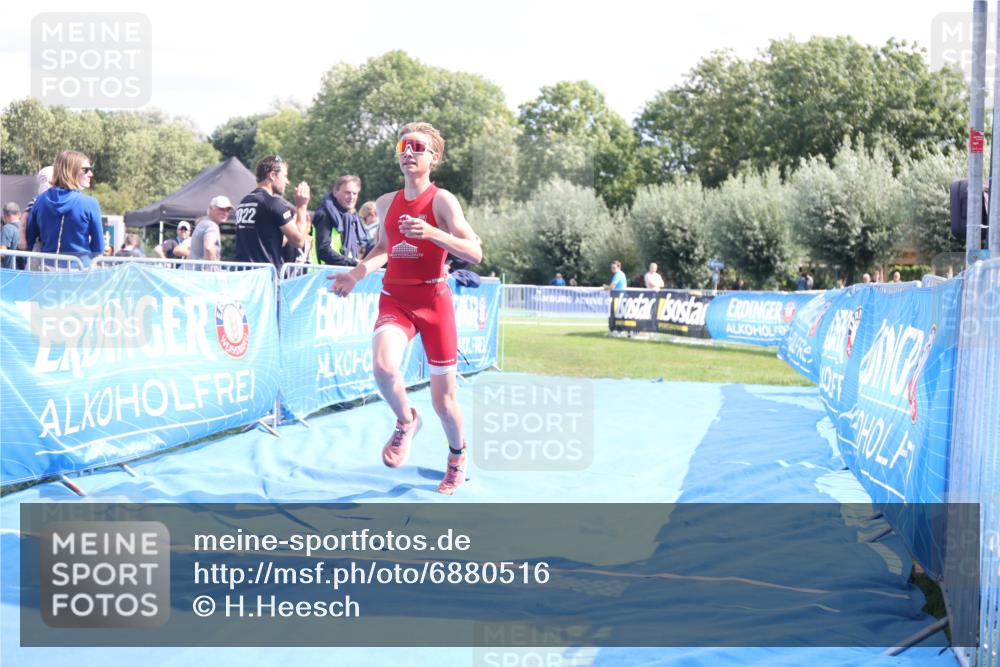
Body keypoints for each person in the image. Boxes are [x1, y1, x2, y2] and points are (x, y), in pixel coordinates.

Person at [327, 122, 482, 495]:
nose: (408, 151)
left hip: (433, 302)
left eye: (418, 146)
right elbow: (382, 249)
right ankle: (406, 420)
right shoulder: (384, 202)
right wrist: (356, 274)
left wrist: (433, 234)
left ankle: (457, 456)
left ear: (434, 158)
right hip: (395, 298)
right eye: (403, 145)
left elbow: (475, 252)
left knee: (444, 402)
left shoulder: (442, 201)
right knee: (382, 367)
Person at [25, 150, 103, 267]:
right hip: (79, 273)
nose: (91, 174)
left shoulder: (40, 201)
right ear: (72, 171)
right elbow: (99, 247)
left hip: (47, 273)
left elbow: (30, 239)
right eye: (86, 170)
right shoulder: (90, 203)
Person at [235, 155, 310, 271]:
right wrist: (302, 207)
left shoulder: (244, 202)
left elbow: (266, 240)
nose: (287, 182)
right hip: (263, 278)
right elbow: (298, 241)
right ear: (272, 175)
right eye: (284, 176)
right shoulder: (274, 203)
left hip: (244, 276)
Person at [313, 175, 371, 266]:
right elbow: (323, 250)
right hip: (324, 274)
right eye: (347, 192)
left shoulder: (352, 217)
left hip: (343, 272)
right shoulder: (325, 214)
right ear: (335, 192)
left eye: (355, 193)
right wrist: (353, 263)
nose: (351, 197)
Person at [189, 195, 232, 267]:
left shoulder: (203, 223)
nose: (225, 213)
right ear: (211, 208)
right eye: (221, 209)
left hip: (193, 273)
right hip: (201, 275)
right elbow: (208, 247)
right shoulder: (211, 226)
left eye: (227, 210)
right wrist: (212, 266)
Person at [1, 203, 21, 269]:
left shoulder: (7, 228)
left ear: (5, 216)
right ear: (19, 214)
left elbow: (2, 253)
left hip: (10, 273)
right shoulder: (25, 228)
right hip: (25, 272)